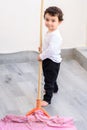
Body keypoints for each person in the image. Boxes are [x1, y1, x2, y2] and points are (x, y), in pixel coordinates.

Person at [38, 6, 64, 106]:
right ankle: (55, 88)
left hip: (52, 61)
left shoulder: (56, 36)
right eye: (47, 19)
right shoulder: (50, 32)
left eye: (53, 20)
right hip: (48, 58)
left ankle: (47, 99)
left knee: (48, 80)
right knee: (51, 77)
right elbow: (48, 47)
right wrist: (42, 49)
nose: (49, 23)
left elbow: (51, 50)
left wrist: (41, 56)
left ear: (59, 22)